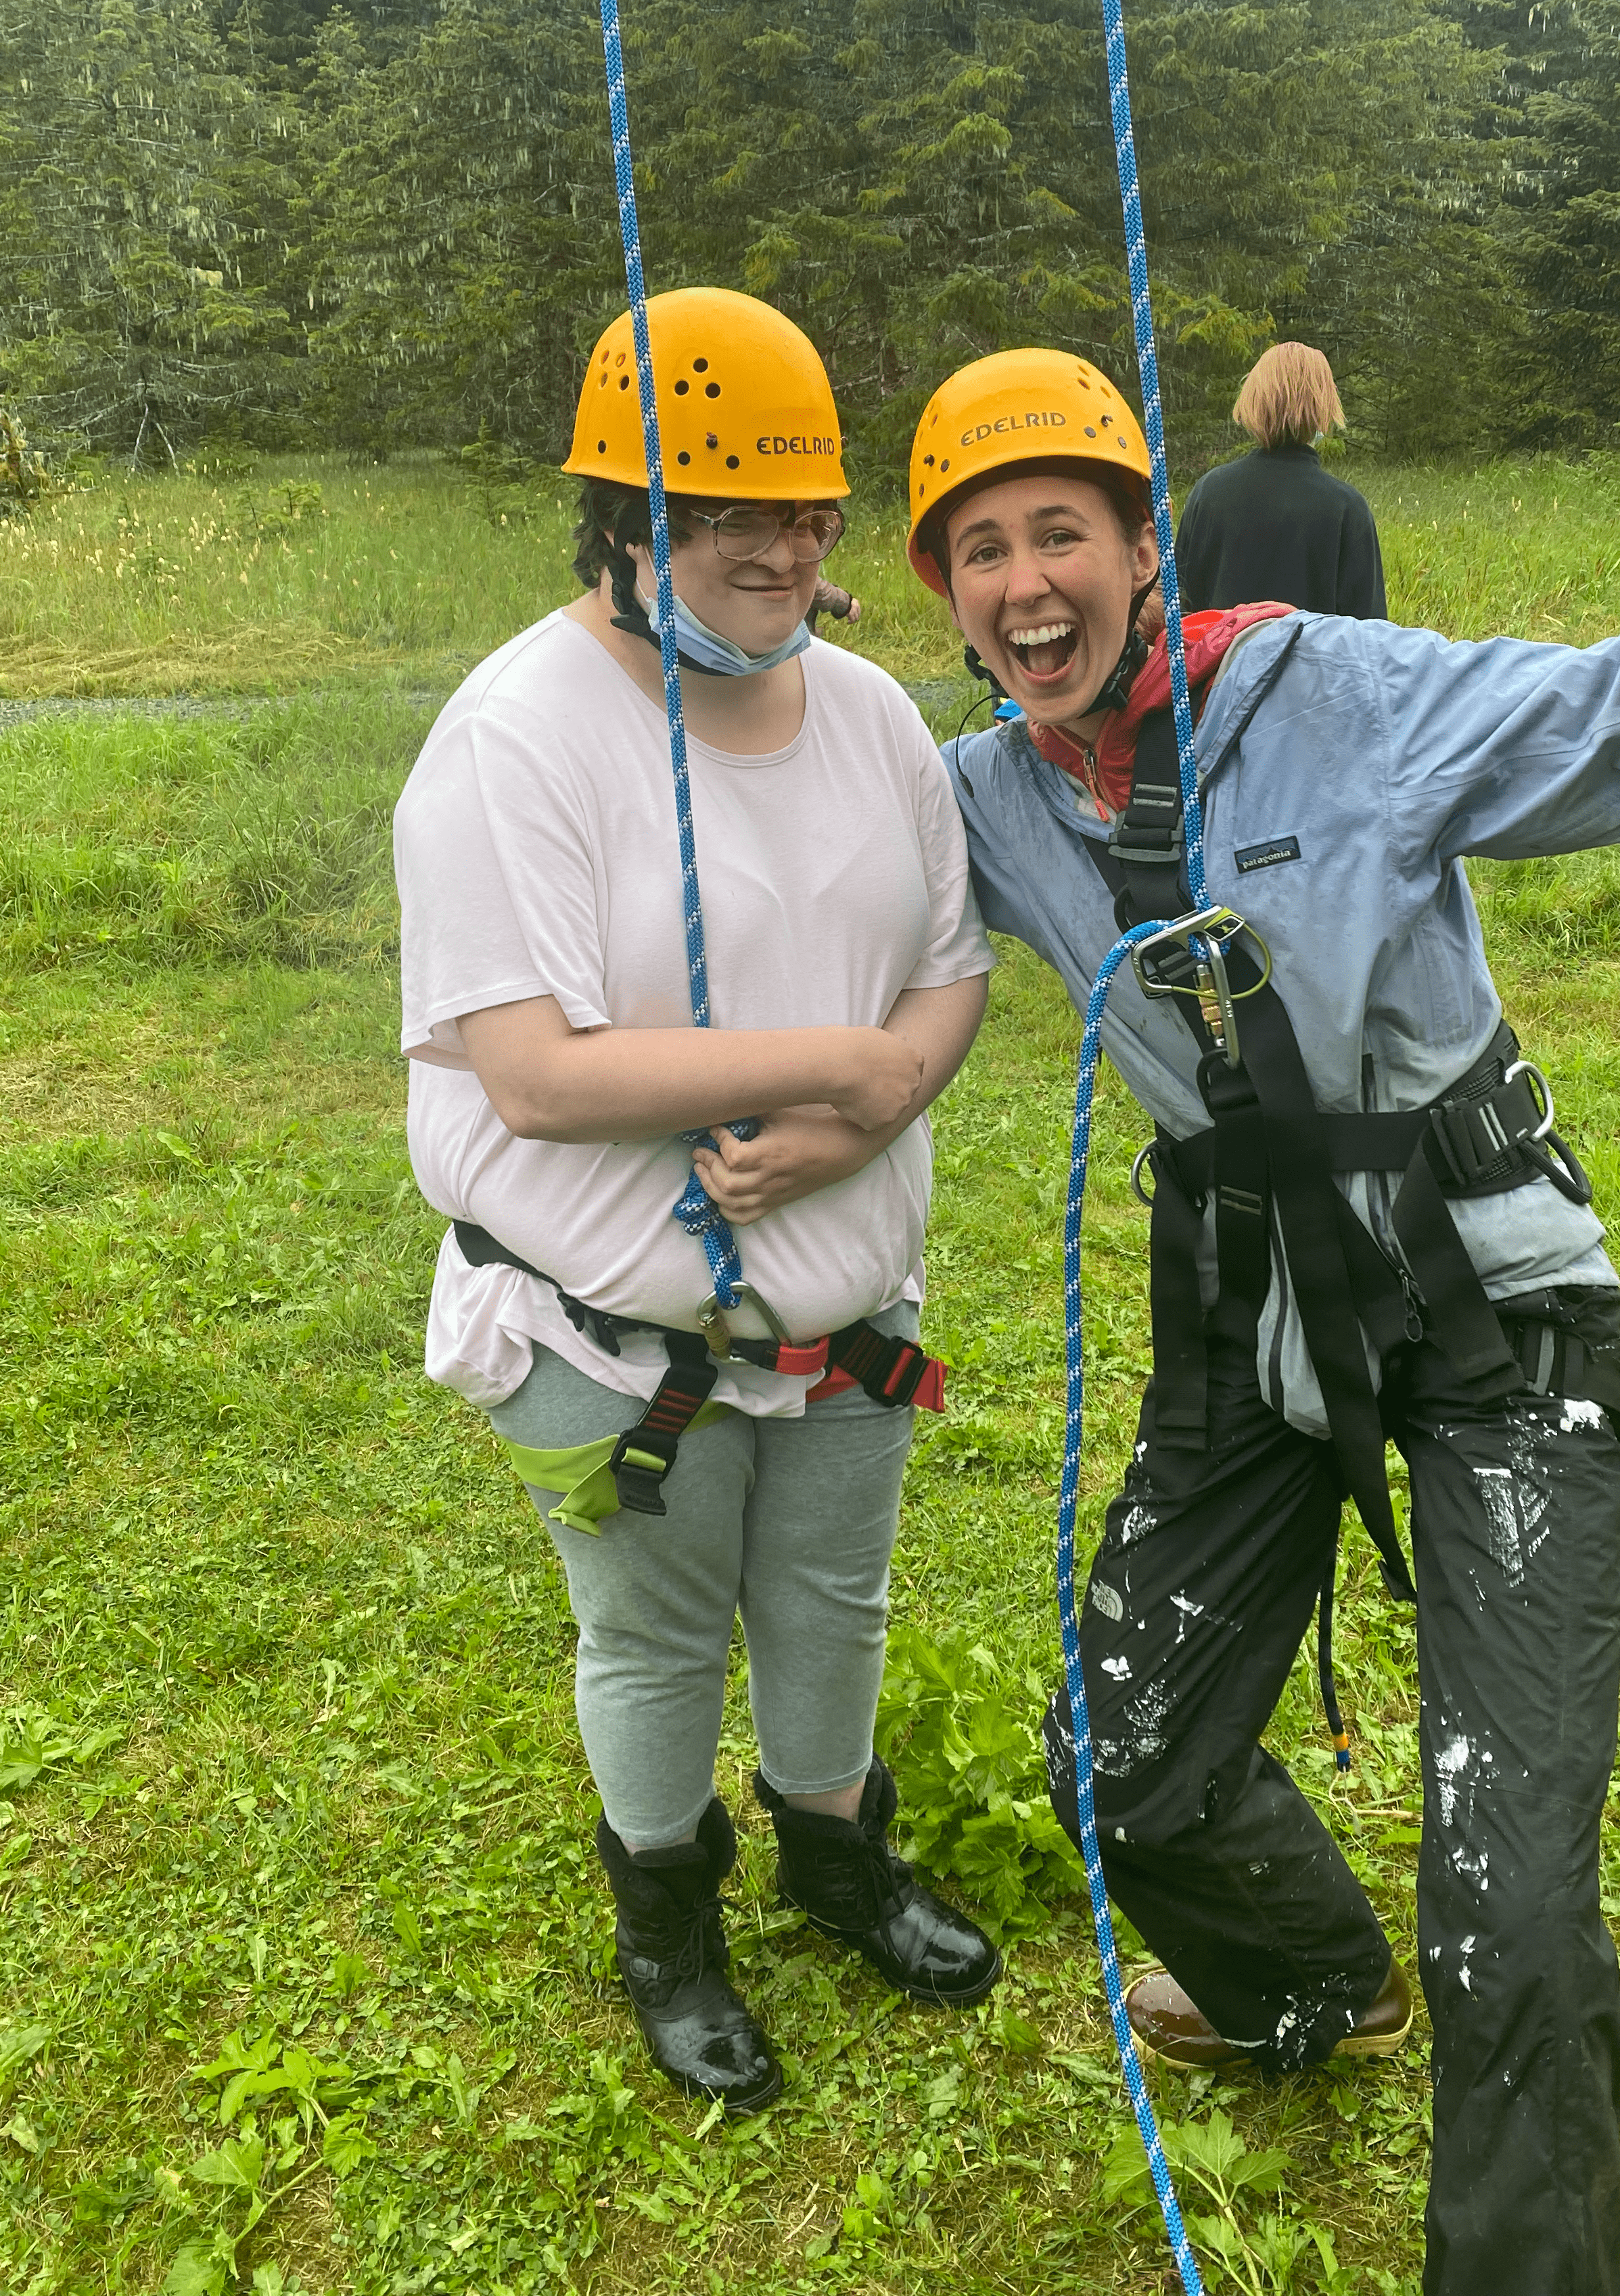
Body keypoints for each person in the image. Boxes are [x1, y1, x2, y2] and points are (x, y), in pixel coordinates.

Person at [904, 323, 1620, 2294]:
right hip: (1247, 1311)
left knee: (1505, 1896)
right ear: (944, 595)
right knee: (1120, 1767)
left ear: (1142, 541)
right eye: (978, 550)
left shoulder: (1334, 697)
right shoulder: (982, 797)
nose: (1025, 584)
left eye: (1060, 531)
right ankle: (1316, 1987)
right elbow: (781, 833)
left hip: (1488, 1300)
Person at [394, 286, 1001, 2116]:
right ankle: (668, 1919)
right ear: (621, 516)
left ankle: (835, 1858)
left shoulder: (880, 715)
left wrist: (885, 1087)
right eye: (730, 512)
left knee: (833, 1594)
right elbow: (536, 1075)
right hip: (611, 1328)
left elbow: (947, 971)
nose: (780, 549)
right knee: (653, 1630)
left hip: (843, 1306)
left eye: (806, 511)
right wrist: (837, 1069)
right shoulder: (517, 738)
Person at [1176, 340, 1386, 618]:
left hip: (1222, 662)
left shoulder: (1209, 492)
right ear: (1324, 406)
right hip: (1312, 663)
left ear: (1253, 400)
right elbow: (1370, 634)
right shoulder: (1347, 508)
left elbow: (1180, 609)